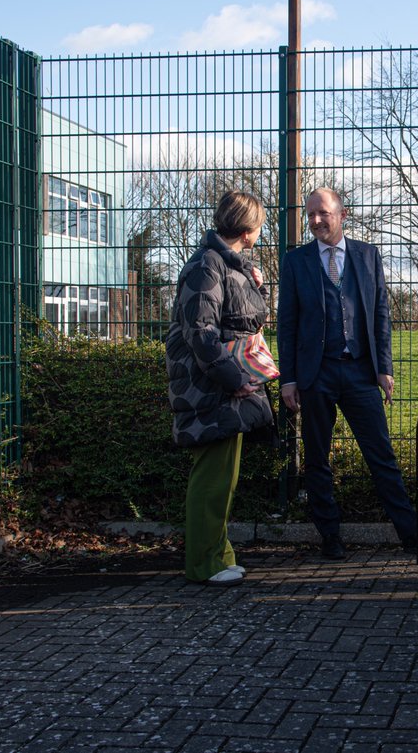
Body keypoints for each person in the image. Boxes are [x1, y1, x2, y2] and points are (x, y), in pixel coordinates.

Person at [277, 187, 418, 559]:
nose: (315, 221)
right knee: (317, 460)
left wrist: (384, 368)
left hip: (360, 373)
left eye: (323, 213)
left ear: (343, 214)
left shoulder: (367, 255)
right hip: (315, 375)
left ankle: (412, 536)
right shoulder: (296, 262)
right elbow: (287, 324)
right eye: (310, 215)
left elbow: (381, 315)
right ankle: (331, 537)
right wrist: (289, 378)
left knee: (381, 457)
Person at [166, 191, 275, 586]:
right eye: (260, 226)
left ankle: (218, 555)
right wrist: (236, 379)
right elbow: (201, 332)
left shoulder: (225, 265)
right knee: (211, 480)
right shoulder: (206, 266)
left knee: (222, 479)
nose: (260, 233)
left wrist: (257, 285)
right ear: (247, 230)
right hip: (211, 388)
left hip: (223, 387)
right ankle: (203, 564)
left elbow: (241, 319)